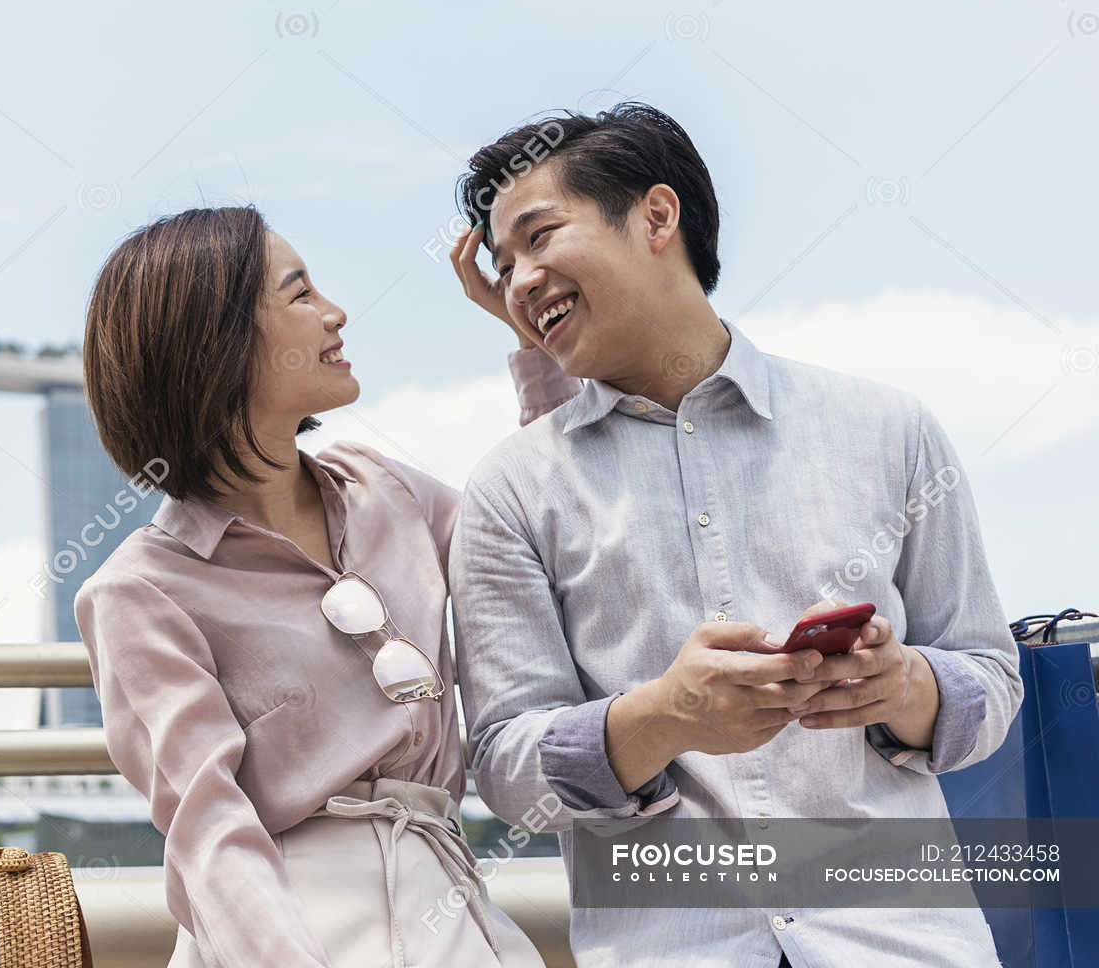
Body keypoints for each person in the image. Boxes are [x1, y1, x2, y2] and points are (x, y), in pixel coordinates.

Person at [447, 101, 1024, 966]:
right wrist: (663, 716)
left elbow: (992, 680)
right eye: (503, 264)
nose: (520, 281)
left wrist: (903, 687)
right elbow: (504, 763)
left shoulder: (886, 428)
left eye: (539, 237)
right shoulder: (509, 489)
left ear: (656, 215)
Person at [73, 206, 548, 967]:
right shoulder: (140, 590)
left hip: (452, 910)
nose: (336, 313)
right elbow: (211, 833)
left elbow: (542, 540)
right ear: (216, 344)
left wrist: (536, 342)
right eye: (299, 294)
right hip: (287, 930)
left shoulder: (387, 489)